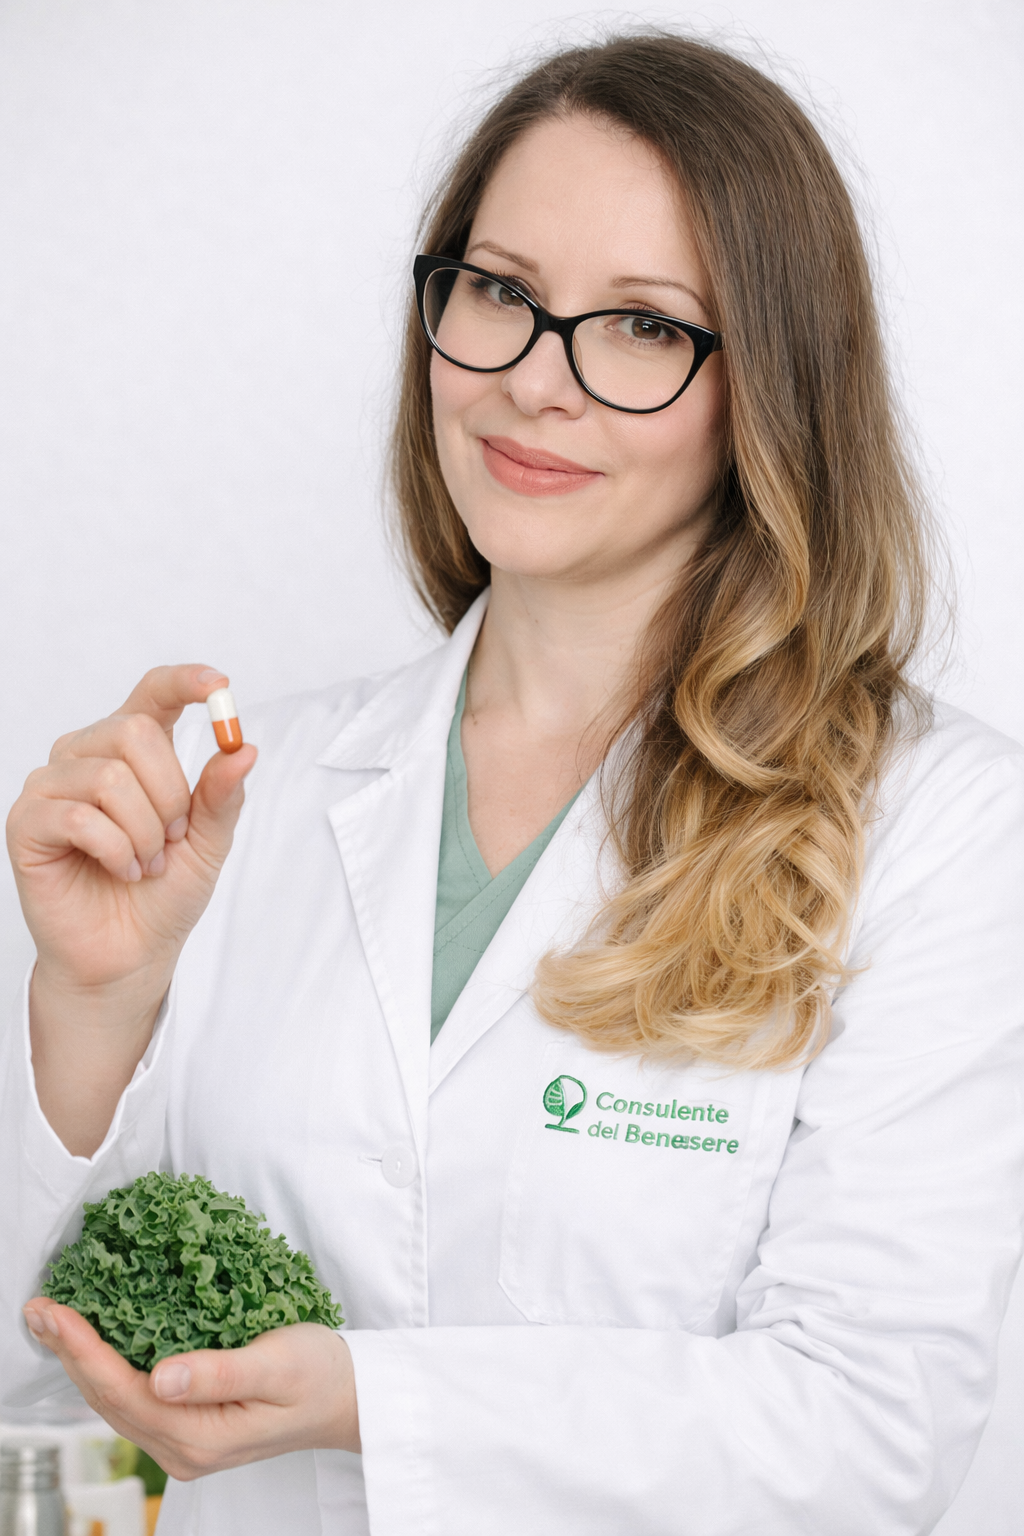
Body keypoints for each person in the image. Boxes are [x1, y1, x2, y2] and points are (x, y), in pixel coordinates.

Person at [2, 30, 1022, 1536]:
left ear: (775, 387)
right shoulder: (237, 796)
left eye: (643, 324)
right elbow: (62, 1407)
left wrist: (377, 1399)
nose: (535, 381)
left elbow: (869, 1436)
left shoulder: (932, 825)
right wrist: (91, 1008)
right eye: (497, 291)